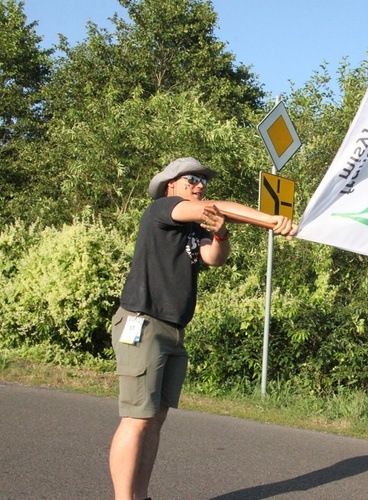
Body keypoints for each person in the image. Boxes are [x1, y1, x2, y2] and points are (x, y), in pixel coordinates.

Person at [108, 157, 295, 500]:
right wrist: (269, 220)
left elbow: (215, 258)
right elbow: (217, 205)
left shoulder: (192, 229)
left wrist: (221, 231)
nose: (199, 184)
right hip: (143, 323)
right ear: (171, 185)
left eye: (203, 180)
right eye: (191, 178)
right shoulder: (163, 209)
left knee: (154, 420)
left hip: (173, 330)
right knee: (136, 419)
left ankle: (141, 495)